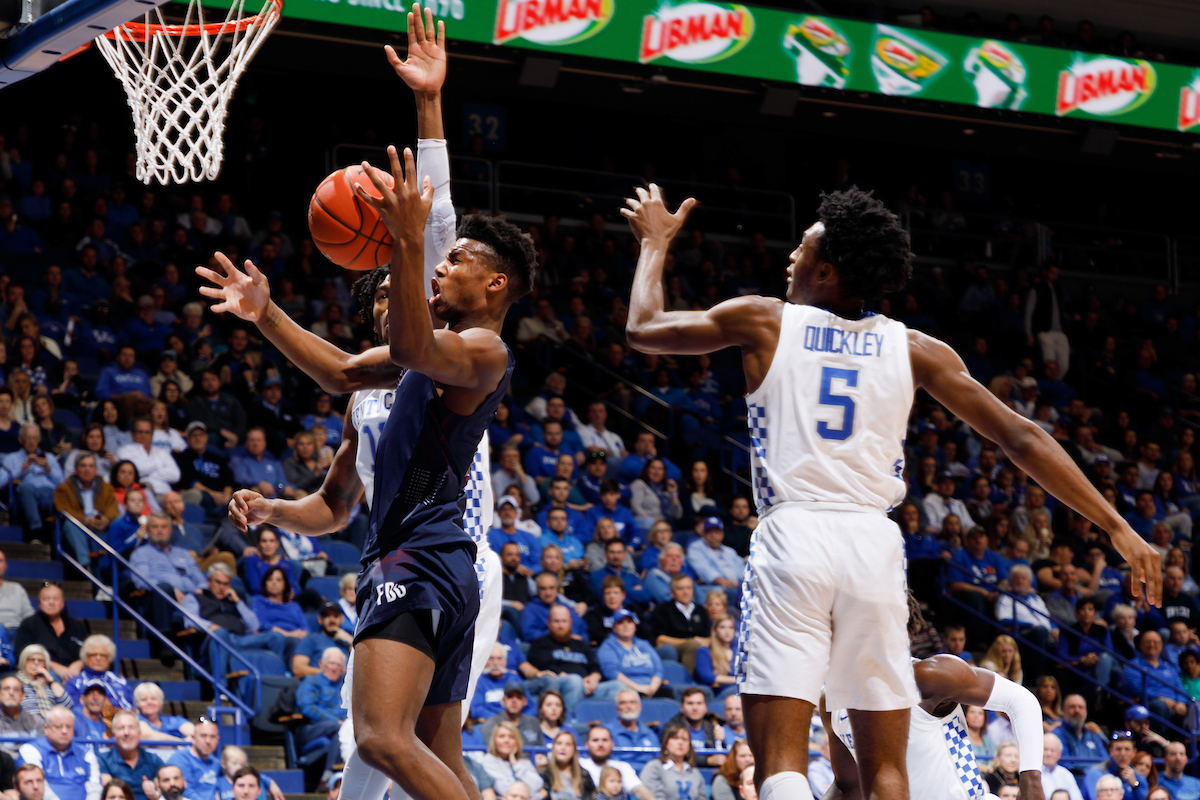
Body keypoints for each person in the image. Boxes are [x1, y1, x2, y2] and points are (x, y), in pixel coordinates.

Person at [623, 185, 1158, 800]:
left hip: (793, 534)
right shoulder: (914, 347)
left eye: (802, 248)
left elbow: (644, 328)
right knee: (886, 771)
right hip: (874, 544)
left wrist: (655, 245)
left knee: (782, 764)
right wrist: (1115, 522)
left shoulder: (764, 318)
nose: (791, 257)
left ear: (827, 270)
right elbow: (1020, 435)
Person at [821, 601, 1044, 800]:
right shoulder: (833, 699)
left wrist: (1031, 782)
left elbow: (1021, 700)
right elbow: (848, 787)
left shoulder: (928, 676)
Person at [179, 564, 290, 686]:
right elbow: (189, 620)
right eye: (218, 582)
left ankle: (274, 683)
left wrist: (238, 602)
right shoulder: (196, 597)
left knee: (277, 637)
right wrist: (210, 626)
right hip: (215, 641)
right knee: (220, 633)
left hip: (240, 640)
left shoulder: (233, 601)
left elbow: (254, 626)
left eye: (226, 584)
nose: (222, 587)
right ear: (209, 581)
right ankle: (221, 687)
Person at [526, 605, 610, 716]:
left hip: (587, 687)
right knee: (574, 681)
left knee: (618, 687)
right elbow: (542, 666)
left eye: (564, 621)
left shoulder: (580, 644)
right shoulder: (539, 644)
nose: (560, 626)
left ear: (570, 622)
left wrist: (594, 677)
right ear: (548, 622)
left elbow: (594, 666)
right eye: (556, 621)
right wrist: (574, 678)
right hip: (560, 684)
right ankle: (567, 720)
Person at [16, 707, 100, 800]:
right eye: (58, 726)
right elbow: (37, 788)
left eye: (69, 726)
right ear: (46, 728)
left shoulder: (86, 753)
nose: (64, 731)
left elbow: (95, 788)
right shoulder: (30, 750)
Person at [296, 648, 347, 789]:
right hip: (312, 728)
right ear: (321, 664)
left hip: (339, 726)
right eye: (331, 663)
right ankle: (328, 776)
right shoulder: (311, 681)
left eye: (339, 665)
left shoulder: (344, 687)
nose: (334, 668)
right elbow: (307, 707)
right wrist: (336, 721)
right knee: (341, 729)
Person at [0, 424, 64, 535]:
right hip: (28, 492)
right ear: (21, 440)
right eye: (28, 438)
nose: (31, 442)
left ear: (39, 439)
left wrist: (48, 469)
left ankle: (55, 528)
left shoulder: (49, 457)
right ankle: (36, 530)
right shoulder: (11, 458)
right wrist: (22, 469)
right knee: (26, 487)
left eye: (34, 438)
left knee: (62, 493)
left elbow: (63, 482)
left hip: (50, 492)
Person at [14, 584, 87, 680]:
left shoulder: (77, 625)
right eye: (46, 599)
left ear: (62, 603)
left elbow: (89, 651)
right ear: (39, 603)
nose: (51, 602)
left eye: (56, 599)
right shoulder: (29, 624)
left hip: (75, 674)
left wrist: (79, 664)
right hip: (42, 673)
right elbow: (22, 655)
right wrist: (53, 666)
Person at [1118, 631, 1189, 728]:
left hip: (1174, 705)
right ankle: (1161, 740)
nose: (1152, 645)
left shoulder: (1169, 667)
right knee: (1160, 705)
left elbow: (1180, 688)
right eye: (1148, 642)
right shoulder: (1132, 666)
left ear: (1161, 646)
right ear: (1141, 645)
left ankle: (1191, 741)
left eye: (1155, 642)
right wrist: (1160, 698)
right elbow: (1136, 689)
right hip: (1148, 703)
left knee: (1196, 706)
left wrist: (1181, 702)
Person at [597, 611, 667, 699]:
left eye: (629, 622)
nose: (626, 625)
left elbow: (658, 669)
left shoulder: (644, 644)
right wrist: (636, 687)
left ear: (634, 626)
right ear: (614, 628)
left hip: (651, 688)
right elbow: (611, 672)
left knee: (669, 693)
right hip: (625, 689)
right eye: (620, 623)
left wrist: (652, 689)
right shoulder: (608, 646)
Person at [648, 575, 710, 672]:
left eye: (688, 588)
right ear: (672, 593)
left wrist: (707, 641)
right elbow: (660, 639)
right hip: (674, 648)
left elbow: (708, 635)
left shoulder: (700, 610)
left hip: (699, 646)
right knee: (692, 645)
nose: (685, 592)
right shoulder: (662, 609)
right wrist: (690, 642)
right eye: (680, 589)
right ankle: (687, 680)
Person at [98, 710, 164, 800]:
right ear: (113, 734)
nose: (126, 733)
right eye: (121, 728)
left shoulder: (154, 760)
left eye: (131, 727)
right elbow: (110, 793)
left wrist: (155, 795)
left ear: (139, 733)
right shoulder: (103, 759)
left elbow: (165, 791)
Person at [172, 423, 233, 515]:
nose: (198, 438)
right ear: (187, 438)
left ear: (206, 437)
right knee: (204, 496)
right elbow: (191, 481)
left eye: (201, 435)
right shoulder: (182, 457)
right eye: (194, 435)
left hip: (221, 496)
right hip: (203, 496)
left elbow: (228, 478)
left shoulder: (217, 458)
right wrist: (213, 494)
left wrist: (226, 494)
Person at [578, 727, 654, 800]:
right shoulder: (579, 765)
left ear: (612, 744)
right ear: (587, 745)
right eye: (595, 740)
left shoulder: (622, 766)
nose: (600, 744)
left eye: (605, 740)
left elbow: (638, 789)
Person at [472, 722, 543, 798]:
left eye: (511, 737)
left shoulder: (523, 763)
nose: (506, 740)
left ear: (517, 741)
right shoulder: (488, 761)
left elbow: (537, 784)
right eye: (501, 736)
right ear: (494, 740)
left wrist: (515, 764)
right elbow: (503, 789)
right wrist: (537, 796)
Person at [638, 722, 707, 800]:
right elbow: (654, 796)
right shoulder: (654, 767)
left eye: (684, 739)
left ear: (689, 747)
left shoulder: (695, 773)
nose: (680, 742)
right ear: (666, 744)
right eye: (675, 738)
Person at [65, 636, 135, 710]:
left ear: (109, 658)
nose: (98, 658)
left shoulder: (120, 681)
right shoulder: (74, 683)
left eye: (103, 655)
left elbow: (132, 705)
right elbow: (74, 710)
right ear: (85, 658)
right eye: (93, 655)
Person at [116, 419, 180, 499]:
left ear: (152, 435)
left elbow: (175, 475)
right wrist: (159, 467)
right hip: (143, 495)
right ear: (132, 434)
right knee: (147, 484)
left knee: (194, 494)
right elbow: (136, 471)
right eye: (139, 432)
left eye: (147, 432)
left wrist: (151, 474)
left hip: (168, 494)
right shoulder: (124, 451)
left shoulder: (162, 453)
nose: (143, 435)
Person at [684, 518, 742, 605]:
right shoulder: (695, 548)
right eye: (709, 532)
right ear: (703, 534)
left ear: (722, 534)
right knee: (733, 592)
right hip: (712, 586)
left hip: (735, 586)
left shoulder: (729, 551)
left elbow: (742, 568)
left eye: (716, 532)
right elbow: (704, 569)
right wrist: (720, 580)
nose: (713, 536)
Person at [666, 688, 727, 768]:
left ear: (705, 708)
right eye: (690, 703)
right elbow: (672, 756)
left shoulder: (712, 728)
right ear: (682, 708)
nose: (695, 708)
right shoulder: (671, 729)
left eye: (699, 703)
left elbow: (721, 756)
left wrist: (722, 742)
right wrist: (707, 761)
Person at [292, 602, 352, 678]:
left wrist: (350, 641)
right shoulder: (310, 640)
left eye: (335, 616)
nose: (332, 620)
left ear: (342, 619)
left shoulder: (347, 642)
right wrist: (329, 673)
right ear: (320, 619)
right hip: (318, 686)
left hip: (343, 687)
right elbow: (298, 669)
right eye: (327, 616)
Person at [166, 719, 220, 800]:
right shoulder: (179, 759)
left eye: (212, 737)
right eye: (203, 736)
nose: (208, 741)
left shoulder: (216, 762)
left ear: (217, 740)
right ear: (193, 738)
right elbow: (185, 792)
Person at [1082, 736, 1148, 800]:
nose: (1123, 754)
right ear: (1111, 752)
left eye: (1127, 749)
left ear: (1133, 752)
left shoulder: (1139, 776)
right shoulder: (1097, 772)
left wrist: (1135, 786)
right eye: (1118, 749)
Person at [478, 683, 540, 750]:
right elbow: (489, 751)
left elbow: (541, 750)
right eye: (510, 697)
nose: (514, 701)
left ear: (525, 702)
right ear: (503, 701)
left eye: (519, 697)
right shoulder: (492, 723)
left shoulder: (534, 722)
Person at [612, 690, 661, 773]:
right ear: (617, 708)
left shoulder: (650, 734)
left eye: (632, 702)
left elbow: (658, 762)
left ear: (639, 707)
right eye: (623, 703)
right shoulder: (607, 733)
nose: (628, 706)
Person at [539, 730, 594, 800]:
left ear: (574, 750)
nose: (563, 748)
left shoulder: (584, 775)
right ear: (554, 748)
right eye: (559, 743)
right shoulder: (543, 773)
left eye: (568, 744)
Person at [695, 615, 737, 700]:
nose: (727, 631)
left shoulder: (738, 652)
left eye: (730, 628)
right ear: (715, 631)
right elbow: (707, 677)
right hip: (717, 694)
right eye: (722, 627)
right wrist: (737, 680)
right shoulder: (704, 651)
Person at [0, 675, 40, 753]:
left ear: (23, 696)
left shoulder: (37, 722)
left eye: (16, 690)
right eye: (6, 689)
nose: (11, 693)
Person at [0, 551, 34, 635]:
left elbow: (29, 615)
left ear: (5, 566)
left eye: (0, 561)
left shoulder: (17, 588)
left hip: (15, 633)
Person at [1040, 733, 1082, 800]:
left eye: (1052, 750)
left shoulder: (1066, 774)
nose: (1048, 754)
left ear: (1059, 754)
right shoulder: (1034, 773)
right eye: (1045, 749)